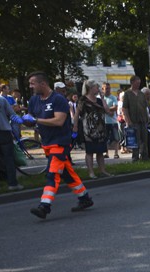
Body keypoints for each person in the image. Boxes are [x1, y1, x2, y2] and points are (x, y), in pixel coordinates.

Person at [24, 71, 93, 219]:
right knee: (67, 173)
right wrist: (24, 120)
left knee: (52, 174)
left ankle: (44, 206)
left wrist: (35, 120)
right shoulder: (34, 100)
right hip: (47, 143)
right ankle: (85, 198)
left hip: (60, 142)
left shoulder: (58, 99)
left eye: (32, 83)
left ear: (42, 83)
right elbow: (32, 120)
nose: (30, 86)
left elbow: (59, 121)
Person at [72, 79, 111, 179]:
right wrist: (75, 127)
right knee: (90, 152)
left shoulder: (98, 100)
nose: (98, 89)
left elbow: (107, 111)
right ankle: (91, 172)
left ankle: (102, 170)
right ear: (90, 88)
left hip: (101, 130)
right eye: (96, 87)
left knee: (100, 152)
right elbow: (76, 115)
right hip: (88, 131)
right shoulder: (83, 100)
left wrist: (102, 99)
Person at [0, 94, 24, 191]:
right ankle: (13, 184)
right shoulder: (1, 100)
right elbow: (12, 114)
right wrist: (19, 120)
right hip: (4, 132)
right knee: (9, 158)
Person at [122, 76, 149, 162]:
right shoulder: (127, 93)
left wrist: (147, 118)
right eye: (137, 83)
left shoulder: (141, 94)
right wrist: (128, 120)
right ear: (132, 82)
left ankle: (145, 156)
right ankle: (135, 157)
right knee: (135, 140)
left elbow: (145, 107)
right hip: (133, 120)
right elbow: (125, 108)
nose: (138, 85)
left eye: (139, 83)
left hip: (143, 120)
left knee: (144, 138)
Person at [102, 82, 120, 159]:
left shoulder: (113, 97)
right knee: (105, 138)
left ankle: (116, 153)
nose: (108, 90)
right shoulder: (101, 98)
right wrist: (109, 111)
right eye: (106, 88)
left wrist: (106, 109)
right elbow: (99, 108)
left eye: (109, 88)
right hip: (104, 121)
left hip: (113, 121)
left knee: (116, 138)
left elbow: (115, 107)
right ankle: (106, 153)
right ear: (103, 89)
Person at [141, 87, 150, 159]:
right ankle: (145, 155)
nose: (148, 96)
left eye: (149, 94)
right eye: (147, 94)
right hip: (144, 124)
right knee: (145, 140)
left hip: (149, 124)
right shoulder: (141, 103)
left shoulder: (148, 103)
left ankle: (149, 154)